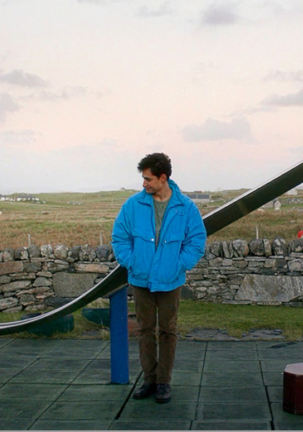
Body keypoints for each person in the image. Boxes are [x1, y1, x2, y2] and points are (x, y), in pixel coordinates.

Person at [112, 152, 206, 404]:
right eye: (143, 178)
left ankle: (164, 382)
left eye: (148, 179)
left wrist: (179, 265)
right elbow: (119, 238)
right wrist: (132, 262)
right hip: (140, 280)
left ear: (162, 178)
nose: (144, 183)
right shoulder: (132, 205)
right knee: (144, 331)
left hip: (170, 281)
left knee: (167, 331)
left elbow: (197, 241)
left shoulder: (186, 207)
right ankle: (149, 380)